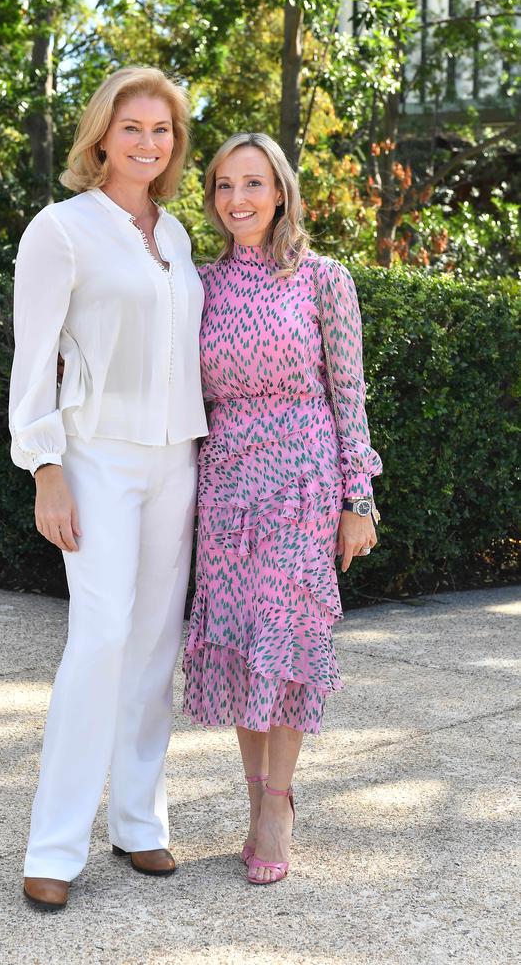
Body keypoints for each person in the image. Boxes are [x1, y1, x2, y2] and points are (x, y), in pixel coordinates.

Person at [9, 66, 207, 910]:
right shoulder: (62, 229)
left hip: (177, 460)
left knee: (156, 643)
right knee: (101, 637)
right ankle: (54, 847)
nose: (148, 144)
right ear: (102, 135)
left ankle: (140, 823)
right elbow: (33, 359)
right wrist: (45, 467)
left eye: (162, 131)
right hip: (95, 459)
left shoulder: (180, 235)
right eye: (133, 127)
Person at [182, 132, 383, 885]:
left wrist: (357, 499)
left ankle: (277, 807)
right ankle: (252, 797)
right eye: (224, 186)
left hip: (303, 475)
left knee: (286, 638)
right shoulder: (199, 285)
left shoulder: (323, 278)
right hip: (227, 481)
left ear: (281, 192)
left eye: (254, 183)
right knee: (238, 640)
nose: (238, 199)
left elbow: (349, 395)